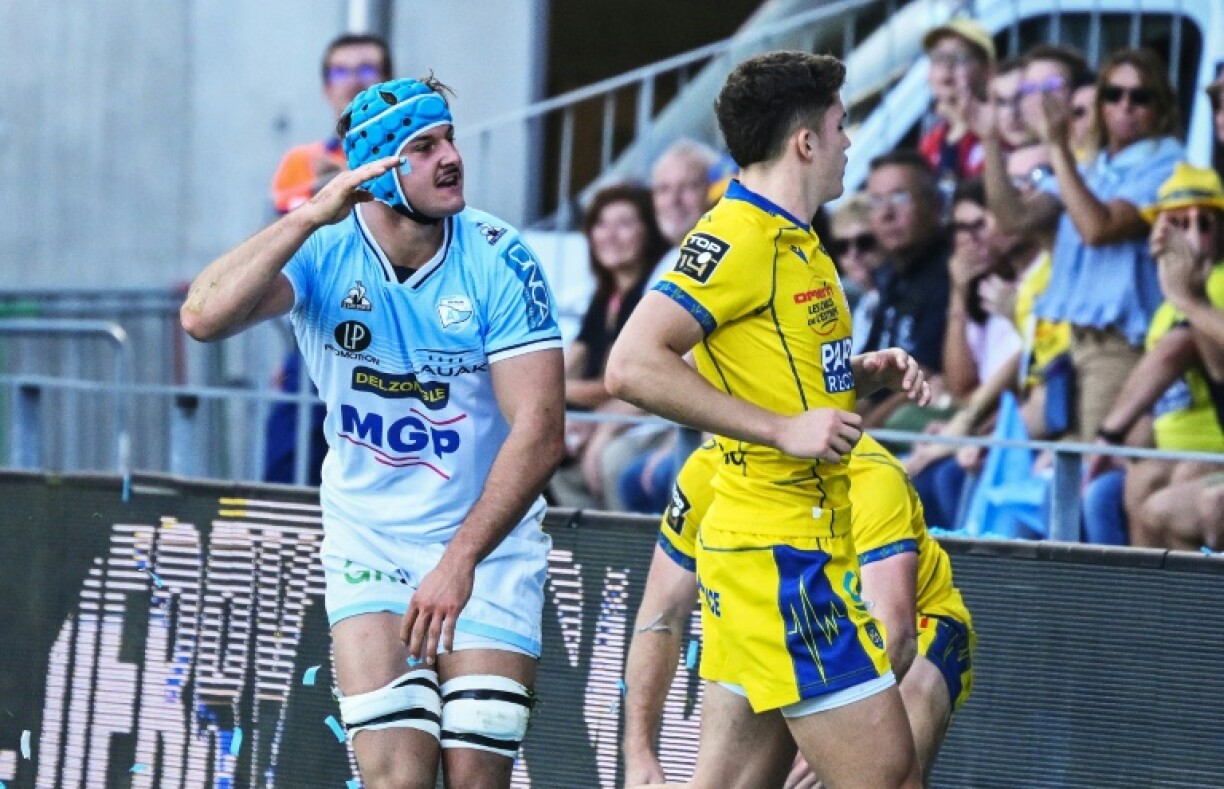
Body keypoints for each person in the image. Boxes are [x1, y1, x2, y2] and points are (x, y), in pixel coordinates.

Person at [180, 76, 566, 788]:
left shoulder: (499, 256)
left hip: (489, 542)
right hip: (371, 538)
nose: (451, 156)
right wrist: (304, 218)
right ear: (383, 170)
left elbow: (541, 432)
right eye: (424, 147)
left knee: (478, 776)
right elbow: (202, 317)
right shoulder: (324, 249)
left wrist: (458, 561)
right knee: (396, 778)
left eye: (449, 137)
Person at [605, 51, 929, 788]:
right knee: (892, 776)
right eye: (843, 125)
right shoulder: (741, 236)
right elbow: (632, 364)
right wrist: (782, 429)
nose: (851, 141)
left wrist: (856, 373)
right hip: (781, 560)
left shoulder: (796, 236)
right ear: (805, 142)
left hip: (784, 547)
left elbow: (776, 371)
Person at [622, 433, 975, 787]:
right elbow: (661, 615)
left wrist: (827, 738)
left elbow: (896, 633)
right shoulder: (708, 470)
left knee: (879, 775)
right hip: (769, 621)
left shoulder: (868, 475)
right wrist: (638, 752)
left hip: (911, 625)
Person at [983, 47, 1184, 441]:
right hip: (1074, 342)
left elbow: (1098, 229)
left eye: (1140, 97)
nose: (1125, 106)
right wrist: (990, 140)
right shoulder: (1093, 168)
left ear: (1161, 107)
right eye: (1114, 94)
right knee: (1059, 466)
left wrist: (1057, 147)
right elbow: (1014, 219)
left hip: (1121, 346)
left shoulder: (1168, 165)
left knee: (1093, 467)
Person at [263, 33, 393, 485]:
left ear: (386, 81)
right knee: (289, 451)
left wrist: (340, 184)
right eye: (341, 71)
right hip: (319, 318)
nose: (353, 81)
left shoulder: (408, 156)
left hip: (393, 323)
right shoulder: (301, 161)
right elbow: (283, 246)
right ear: (325, 87)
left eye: (367, 69)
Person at [1089, 164, 1224, 548]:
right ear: (1158, 232)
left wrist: (1109, 435)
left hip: (1208, 448)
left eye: (1206, 222)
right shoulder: (1169, 302)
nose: (1193, 235)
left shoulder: (1216, 282)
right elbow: (1164, 401)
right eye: (1179, 223)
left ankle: (1184, 606)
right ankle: (1144, 605)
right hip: (1175, 447)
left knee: (1187, 483)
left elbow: (1177, 352)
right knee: (1136, 478)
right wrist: (1126, 448)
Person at [550, 184, 669, 509]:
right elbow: (561, 369)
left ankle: (627, 557)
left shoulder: (651, 293)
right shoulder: (603, 297)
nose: (610, 235)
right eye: (601, 224)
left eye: (625, 224)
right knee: (548, 465)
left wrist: (561, 396)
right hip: (598, 419)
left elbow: (614, 383)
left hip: (643, 418)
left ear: (649, 231)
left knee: (610, 461)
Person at [859, 150, 954, 430]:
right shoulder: (892, 275)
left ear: (934, 205)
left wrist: (863, 432)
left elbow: (926, 372)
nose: (886, 213)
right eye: (876, 200)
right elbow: (869, 368)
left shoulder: (948, 271)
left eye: (900, 197)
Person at [919, 17, 995, 196]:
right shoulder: (930, 142)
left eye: (960, 57)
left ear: (987, 71)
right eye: (938, 58)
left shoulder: (999, 132)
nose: (947, 65)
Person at [646, 139, 720, 284]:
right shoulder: (665, 265)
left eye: (688, 186)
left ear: (713, 191)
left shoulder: (718, 259)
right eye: (663, 189)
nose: (673, 200)